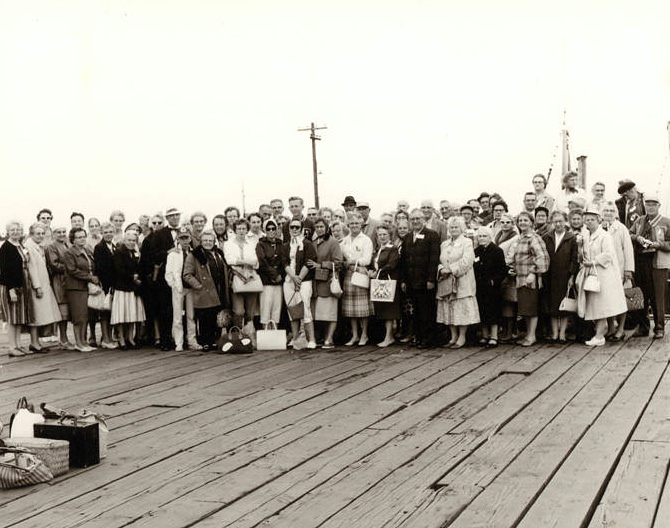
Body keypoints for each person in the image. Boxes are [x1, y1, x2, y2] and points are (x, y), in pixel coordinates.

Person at [576, 206, 627, 346]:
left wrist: (593, 261)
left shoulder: (605, 236)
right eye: (586, 220)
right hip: (590, 274)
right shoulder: (585, 236)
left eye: (592, 219)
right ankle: (601, 332)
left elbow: (609, 255)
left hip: (604, 275)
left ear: (599, 220)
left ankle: (600, 335)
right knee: (593, 304)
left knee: (601, 304)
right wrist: (580, 247)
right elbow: (581, 257)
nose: (589, 222)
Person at [629, 193, 670, 339]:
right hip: (640, 262)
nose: (650, 207)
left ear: (659, 206)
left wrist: (659, 244)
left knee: (658, 296)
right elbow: (629, 234)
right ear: (644, 206)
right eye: (648, 204)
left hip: (657, 262)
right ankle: (643, 326)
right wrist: (637, 237)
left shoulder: (666, 222)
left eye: (654, 205)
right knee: (641, 295)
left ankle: (659, 327)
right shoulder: (640, 220)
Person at [436, 216, 480, 349]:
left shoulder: (467, 242)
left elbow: (467, 261)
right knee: (448, 308)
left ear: (461, 228)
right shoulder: (444, 244)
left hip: (462, 280)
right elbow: (440, 261)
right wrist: (441, 269)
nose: (453, 229)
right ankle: (453, 336)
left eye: (456, 227)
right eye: (451, 227)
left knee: (461, 308)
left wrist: (451, 270)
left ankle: (462, 336)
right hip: (446, 281)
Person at [400, 209, 440, 349]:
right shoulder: (408, 237)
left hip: (425, 281)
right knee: (415, 311)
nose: (415, 221)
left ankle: (428, 339)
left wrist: (431, 279)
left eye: (418, 219)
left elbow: (433, 259)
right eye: (413, 219)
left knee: (426, 311)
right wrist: (404, 280)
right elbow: (403, 260)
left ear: (423, 219)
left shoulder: (431, 235)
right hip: (411, 281)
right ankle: (418, 337)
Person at [508, 211, 549, 346]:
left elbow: (542, 258)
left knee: (531, 308)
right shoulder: (521, 238)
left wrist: (533, 272)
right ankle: (528, 335)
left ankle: (531, 336)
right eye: (520, 221)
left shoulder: (534, 238)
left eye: (525, 220)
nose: (522, 223)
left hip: (530, 279)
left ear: (532, 222)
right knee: (525, 309)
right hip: (520, 279)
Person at [183, 230, 228, 351]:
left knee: (216, 317)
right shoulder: (195, 255)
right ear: (200, 242)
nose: (208, 243)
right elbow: (187, 275)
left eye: (210, 240)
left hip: (219, 290)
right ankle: (205, 341)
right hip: (204, 291)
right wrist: (198, 286)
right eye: (205, 240)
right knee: (205, 318)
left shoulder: (218, 253)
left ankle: (214, 340)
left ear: (214, 242)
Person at [23, 222, 62, 352]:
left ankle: (36, 341)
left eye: (42, 233)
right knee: (36, 316)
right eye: (37, 233)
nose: (40, 236)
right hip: (36, 286)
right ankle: (34, 343)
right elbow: (31, 268)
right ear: (31, 234)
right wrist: (37, 286)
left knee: (41, 315)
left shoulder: (39, 247)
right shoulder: (29, 247)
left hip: (44, 284)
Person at [306, 218, 343, 348]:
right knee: (320, 314)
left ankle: (329, 338)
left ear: (327, 228)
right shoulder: (314, 242)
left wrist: (320, 265)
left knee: (331, 312)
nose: (319, 229)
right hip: (316, 283)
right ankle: (323, 338)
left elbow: (339, 263)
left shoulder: (332, 242)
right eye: (317, 227)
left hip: (328, 281)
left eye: (322, 226)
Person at [542, 211, 578, 343]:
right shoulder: (547, 237)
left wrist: (571, 275)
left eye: (561, 221)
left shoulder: (571, 238)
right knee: (552, 305)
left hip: (564, 275)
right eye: (555, 221)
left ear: (565, 222)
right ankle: (554, 333)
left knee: (564, 306)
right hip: (550, 275)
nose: (558, 224)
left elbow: (574, 259)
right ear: (551, 223)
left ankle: (562, 333)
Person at [149, 207, 182, 350]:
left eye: (177, 215)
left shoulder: (185, 231)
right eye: (171, 216)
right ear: (167, 219)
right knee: (165, 310)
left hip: (182, 275)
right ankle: (165, 340)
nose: (175, 218)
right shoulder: (159, 234)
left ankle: (181, 339)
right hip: (165, 278)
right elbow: (153, 255)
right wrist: (168, 252)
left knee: (182, 309)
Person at [601, 202, 634, 341]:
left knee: (621, 299)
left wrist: (628, 269)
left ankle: (620, 329)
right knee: (608, 299)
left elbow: (628, 250)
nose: (608, 213)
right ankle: (611, 327)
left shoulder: (621, 228)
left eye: (611, 210)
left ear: (616, 213)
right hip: (604, 270)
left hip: (619, 269)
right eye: (606, 210)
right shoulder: (600, 228)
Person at [283, 218, 318, 348]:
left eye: (297, 227)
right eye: (292, 227)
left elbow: (308, 262)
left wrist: (299, 279)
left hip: (304, 281)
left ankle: (311, 339)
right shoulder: (286, 245)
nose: (295, 230)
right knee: (292, 310)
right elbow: (284, 263)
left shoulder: (307, 244)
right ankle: (296, 338)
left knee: (305, 309)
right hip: (289, 281)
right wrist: (293, 277)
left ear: (302, 229)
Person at [64, 227, 100, 352]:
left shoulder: (86, 250)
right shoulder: (69, 252)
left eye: (83, 236)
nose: (82, 239)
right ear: (73, 240)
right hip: (75, 288)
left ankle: (84, 342)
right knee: (78, 317)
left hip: (85, 287)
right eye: (79, 237)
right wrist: (90, 277)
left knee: (85, 315)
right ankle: (78, 343)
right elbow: (72, 270)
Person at [340, 213, 374, 346]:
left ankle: (364, 335)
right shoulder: (344, 241)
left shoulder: (366, 240)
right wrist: (346, 263)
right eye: (351, 223)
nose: (354, 226)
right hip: (349, 275)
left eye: (357, 223)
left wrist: (353, 261)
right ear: (348, 225)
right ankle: (355, 335)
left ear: (361, 225)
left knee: (362, 308)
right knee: (351, 308)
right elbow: (342, 258)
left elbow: (367, 259)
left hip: (360, 273)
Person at [0, 221, 33, 356]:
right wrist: (11, 289)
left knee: (19, 317)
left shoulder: (21, 245)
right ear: (8, 231)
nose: (15, 232)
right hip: (11, 286)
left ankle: (19, 345)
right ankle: (12, 347)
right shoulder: (6, 248)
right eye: (12, 230)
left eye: (18, 230)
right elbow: (4, 270)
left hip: (22, 285)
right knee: (12, 318)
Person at [165, 227, 200, 351]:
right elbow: (168, 273)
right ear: (177, 239)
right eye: (182, 238)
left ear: (190, 239)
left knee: (191, 316)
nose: (185, 241)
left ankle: (192, 340)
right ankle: (178, 341)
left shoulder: (194, 253)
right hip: (179, 288)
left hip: (190, 288)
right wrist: (174, 286)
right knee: (178, 316)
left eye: (187, 238)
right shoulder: (173, 254)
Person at [110, 230, 145, 349]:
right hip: (122, 288)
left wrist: (137, 277)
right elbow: (118, 269)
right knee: (121, 315)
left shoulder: (135, 252)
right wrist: (132, 277)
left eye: (133, 241)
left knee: (132, 314)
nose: (131, 242)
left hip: (133, 289)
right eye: (129, 240)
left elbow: (139, 268)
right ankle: (121, 339)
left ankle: (130, 337)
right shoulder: (119, 252)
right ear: (124, 241)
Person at [366, 225, 399, 347]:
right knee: (382, 309)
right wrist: (370, 271)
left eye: (384, 234)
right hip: (378, 282)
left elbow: (391, 265)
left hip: (387, 282)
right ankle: (388, 336)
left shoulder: (392, 249)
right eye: (380, 235)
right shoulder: (378, 249)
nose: (382, 237)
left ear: (390, 235)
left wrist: (377, 273)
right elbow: (372, 264)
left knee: (389, 310)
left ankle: (388, 337)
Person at [473, 226, 506, 347]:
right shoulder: (476, 251)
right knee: (482, 310)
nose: (482, 238)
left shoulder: (497, 250)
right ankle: (485, 335)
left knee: (493, 311)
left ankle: (494, 336)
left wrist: (494, 281)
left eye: (484, 236)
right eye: (480, 236)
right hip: (479, 286)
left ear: (489, 237)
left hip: (492, 287)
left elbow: (503, 270)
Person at [224, 218, 259, 329]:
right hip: (236, 277)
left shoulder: (252, 243)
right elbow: (229, 260)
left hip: (251, 278)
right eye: (238, 228)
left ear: (247, 230)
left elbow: (256, 262)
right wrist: (246, 262)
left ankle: (249, 337)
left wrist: (240, 261)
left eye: (244, 228)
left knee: (250, 312)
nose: (241, 231)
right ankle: (237, 335)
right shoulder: (228, 244)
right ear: (234, 230)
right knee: (238, 311)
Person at [45, 226, 75, 349]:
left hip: (70, 281)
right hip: (59, 281)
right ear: (54, 234)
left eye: (64, 231)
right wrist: (71, 268)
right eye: (59, 232)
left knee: (68, 311)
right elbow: (54, 264)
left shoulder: (68, 245)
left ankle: (66, 338)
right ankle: (63, 339)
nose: (62, 234)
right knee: (63, 313)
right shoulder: (51, 247)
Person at [256, 218, 288, 330]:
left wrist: (280, 276)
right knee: (266, 307)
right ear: (265, 230)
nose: (271, 230)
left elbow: (284, 261)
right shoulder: (260, 244)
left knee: (276, 308)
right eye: (268, 229)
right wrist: (274, 275)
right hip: (266, 281)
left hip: (279, 282)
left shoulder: (281, 244)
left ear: (276, 230)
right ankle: (265, 333)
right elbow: (262, 262)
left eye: (273, 228)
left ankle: (275, 333)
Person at [92, 222, 117, 349]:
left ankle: (110, 337)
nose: (108, 234)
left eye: (110, 232)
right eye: (106, 232)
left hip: (114, 284)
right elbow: (100, 268)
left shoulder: (114, 246)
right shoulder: (99, 247)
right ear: (102, 233)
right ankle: (105, 339)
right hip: (105, 283)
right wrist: (107, 284)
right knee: (105, 312)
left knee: (111, 311)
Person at [496, 212, 520, 342]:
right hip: (499, 272)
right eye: (503, 222)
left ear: (512, 224)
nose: (505, 225)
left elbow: (511, 256)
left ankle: (510, 331)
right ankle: (504, 329)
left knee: (509, 302)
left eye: (508, 222)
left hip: (508, 272)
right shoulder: (498, 235)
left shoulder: (515, 237)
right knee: (501, 302)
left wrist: (500, 265)